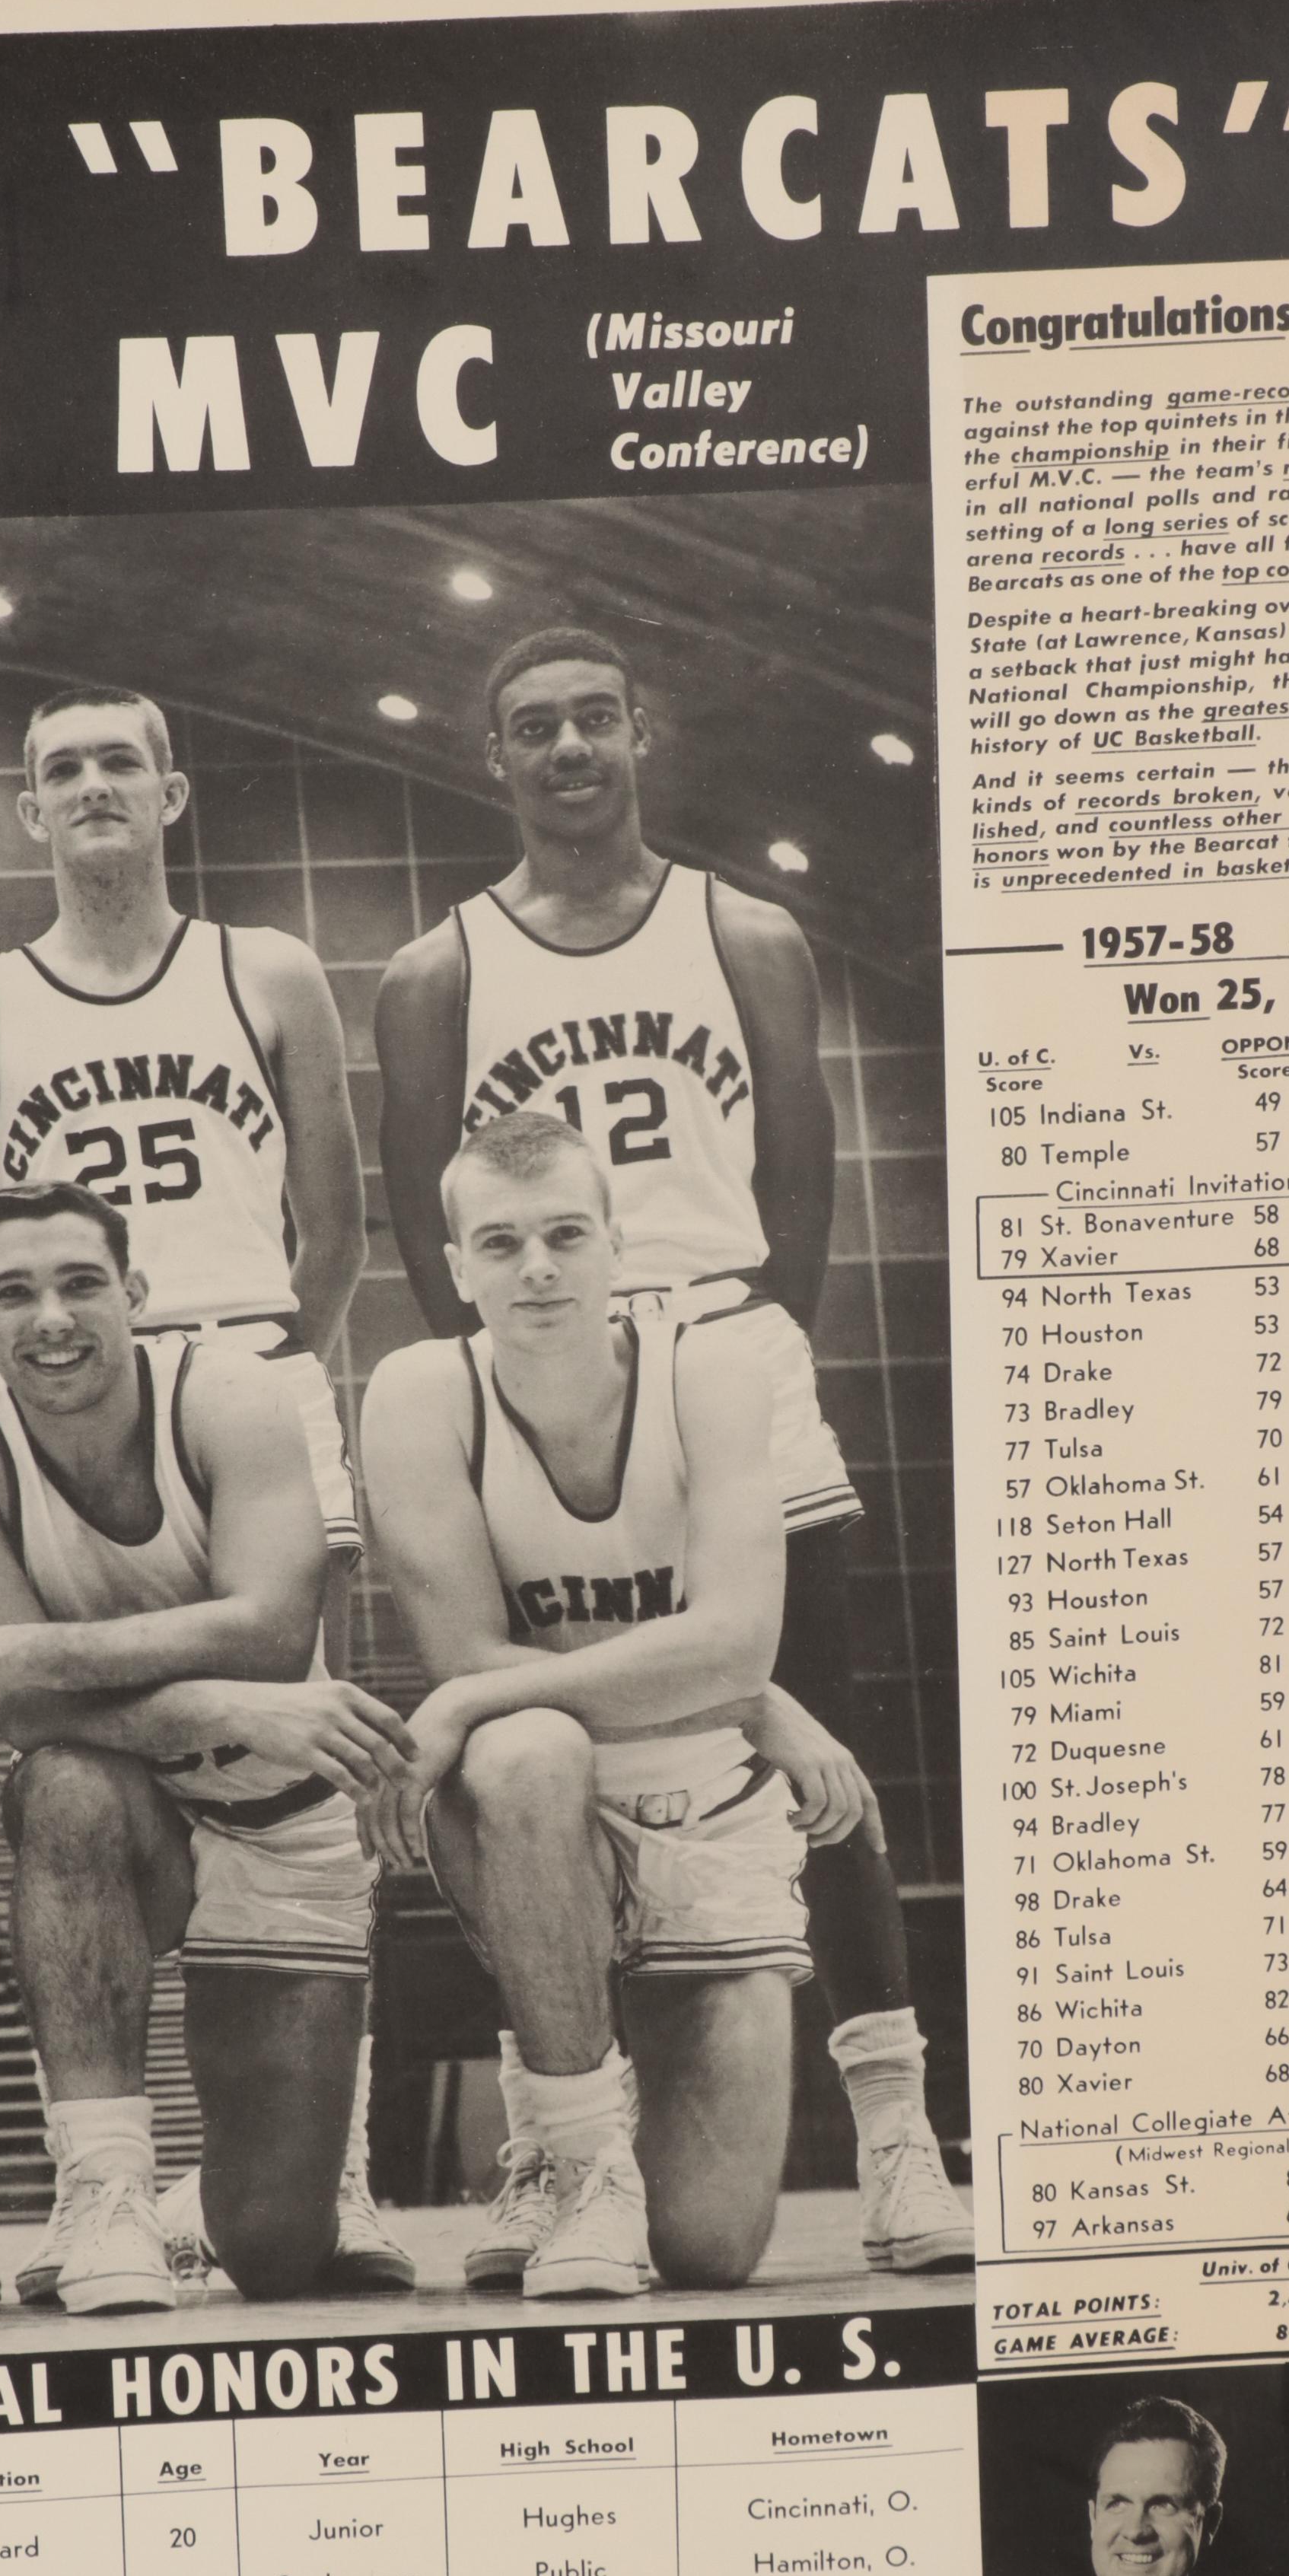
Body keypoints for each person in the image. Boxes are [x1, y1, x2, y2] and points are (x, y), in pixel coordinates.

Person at [374, 627, 969, 2278]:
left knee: (821, 1744)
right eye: (531, 730)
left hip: (715, 1345)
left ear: (642, 733)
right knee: (544, 1757)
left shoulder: (744, 930)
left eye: (591, 720)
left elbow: (804, 1195)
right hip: (532, 1354)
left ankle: (908, 2145)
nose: (566, 750)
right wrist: (527, 1361)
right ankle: (564, 2146)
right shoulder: (438, 973)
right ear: (491, 759)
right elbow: (437, 1222)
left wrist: (720, 1350)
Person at [0, 684, 409, 2288]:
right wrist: (55, 1351)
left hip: (234, 1373)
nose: (93, 786)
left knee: (299, 1739)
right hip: (68, 1383)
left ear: (174, 791)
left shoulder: (260, 970)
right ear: (27, 814)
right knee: (73, 1779)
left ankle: (329, 2171)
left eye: (119, 759)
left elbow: (331, 1219)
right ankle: (109, 2184)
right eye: (61, 769)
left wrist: (258, 1362)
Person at [0, 1181, 414, 2314]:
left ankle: (276, 2186)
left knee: (274, 2250)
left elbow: (272, 1630)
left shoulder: (232, 1394)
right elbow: (22, 1720)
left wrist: (29, 1653)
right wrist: (219, 1708)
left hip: (283, 1818)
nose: (53, 1318)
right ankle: (107, 2189)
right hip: (136, 1805)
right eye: (14, 1294)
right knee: (61, 1785)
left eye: (81, 1284)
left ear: (135, 1293)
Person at [361, 1109, 831, 2299]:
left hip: (708, 1811)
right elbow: (464, 1646)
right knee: (521, 1753)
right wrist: (714, 1681)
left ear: (620, 1245)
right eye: (503, 1243)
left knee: (712, 2253)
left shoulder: (713, 1373)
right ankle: (579, 2163)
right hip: (543, 1806)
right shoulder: (422, 1393)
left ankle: (568, 2129)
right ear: (458, 1267)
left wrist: (750, 1688)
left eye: (568, 1234)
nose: (539, 1268)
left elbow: (738, 1640)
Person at [986, 2399, 1289, 2576]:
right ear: (1094, 2518)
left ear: (1209, 2523)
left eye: (1162, 2504)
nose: (1135, 2531)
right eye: (1117, 2503)